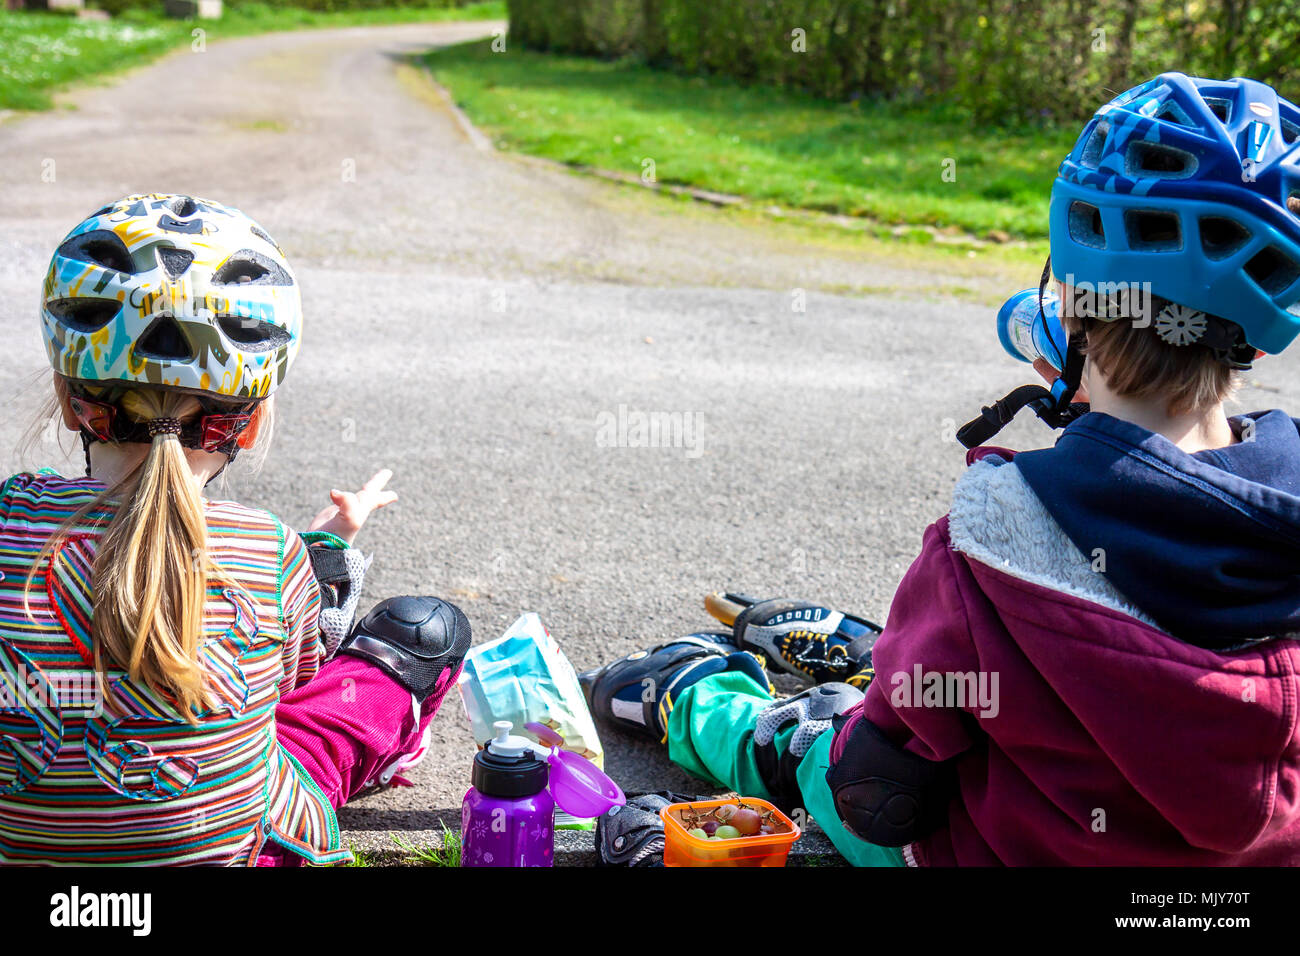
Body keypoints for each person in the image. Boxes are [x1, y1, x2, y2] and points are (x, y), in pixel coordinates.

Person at [585, 72, 1300, 866]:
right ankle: (890, 658)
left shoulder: (991, 540)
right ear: (1262, 332)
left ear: (1074, 297)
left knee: (835, 748)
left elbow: (878, 790)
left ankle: (695, 696)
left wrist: (840, 727)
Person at [0, 194, 470, 866]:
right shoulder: (271, 552)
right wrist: (323, 558)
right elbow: (295, 682)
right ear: (246, 422)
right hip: (242, 851)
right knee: (423, 632)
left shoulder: (9, 515)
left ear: (72, 402)